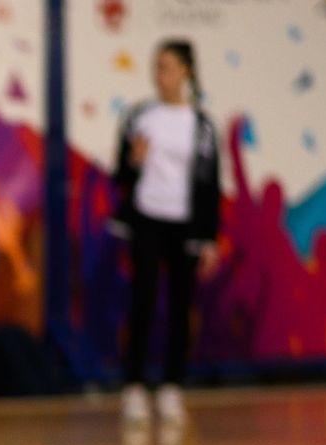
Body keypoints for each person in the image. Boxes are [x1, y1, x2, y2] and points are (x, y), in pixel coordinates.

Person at [111, 38, 222, 425]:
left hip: (184, 225)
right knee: (142, 303)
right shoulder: (141, 116)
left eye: (167, 67)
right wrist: (134, 161)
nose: (160, 75)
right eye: (156, 67)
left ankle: (172, 387)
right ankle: (135, 388)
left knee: (180, 307)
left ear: (186, 72)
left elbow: (210, 185)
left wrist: (207, 237)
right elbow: (120, 174)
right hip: (147, 219)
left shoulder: (202, 125)